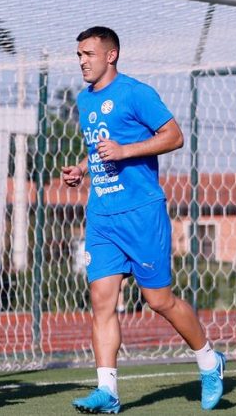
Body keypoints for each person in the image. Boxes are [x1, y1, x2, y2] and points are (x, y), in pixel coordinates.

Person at [63, 26, 224, 413]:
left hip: (142, 214)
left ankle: (209, 360)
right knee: (101, 302)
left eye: (88, 54)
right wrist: (83, 168)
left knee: (159, 300)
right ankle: (108, 391)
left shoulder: (136, 93)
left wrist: (126, 151)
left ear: (111, 55)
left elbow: (174, 136)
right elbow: (100, 147)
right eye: (79, 55)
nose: (82, 61)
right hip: (102, 216)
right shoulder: (85, 101)